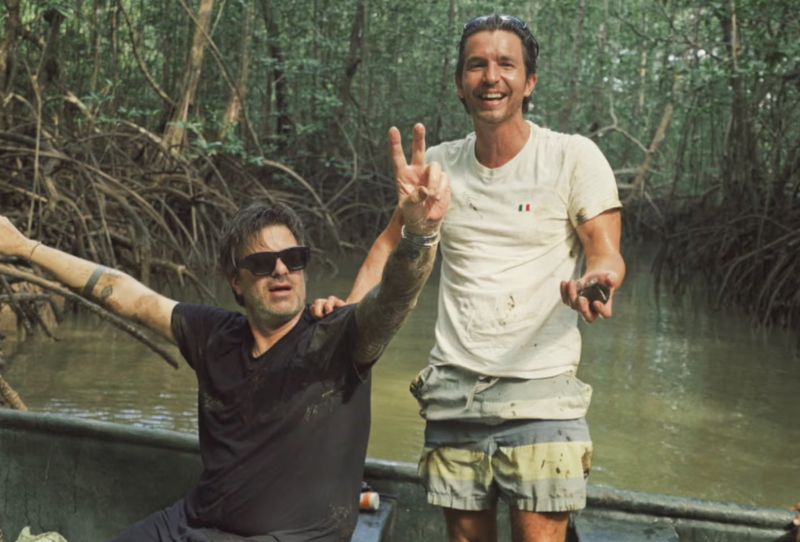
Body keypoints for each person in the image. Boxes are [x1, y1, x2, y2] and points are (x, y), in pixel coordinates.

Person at [0, 164, 449, 541]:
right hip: (190, 525)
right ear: (236, 281)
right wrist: (26, 247)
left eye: (293, 258)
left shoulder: (337, 337)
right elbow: (128, 296)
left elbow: (394, 296)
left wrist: (419, 233)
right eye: (261, 263)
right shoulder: (213, 334)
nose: (280, 270)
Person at [312, 13, 625, 542]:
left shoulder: (571, 157)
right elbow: (388, 247)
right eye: (476, 65)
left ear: (530, 81)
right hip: (455, 390)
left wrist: (596, 281)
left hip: (542, 392)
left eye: (506, 64)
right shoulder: (438, 167)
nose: (491, 77)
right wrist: (347, 309)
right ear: (461, 84)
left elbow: (606, 253)